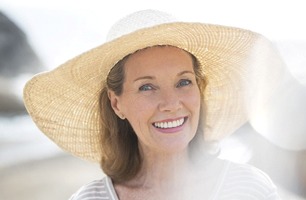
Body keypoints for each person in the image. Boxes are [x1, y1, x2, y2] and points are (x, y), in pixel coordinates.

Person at [23, 10, 285, 199]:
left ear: (200, 89)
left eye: (184, 82)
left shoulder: (249, 190)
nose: (171, 104)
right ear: (116, 104)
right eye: (147, 87)